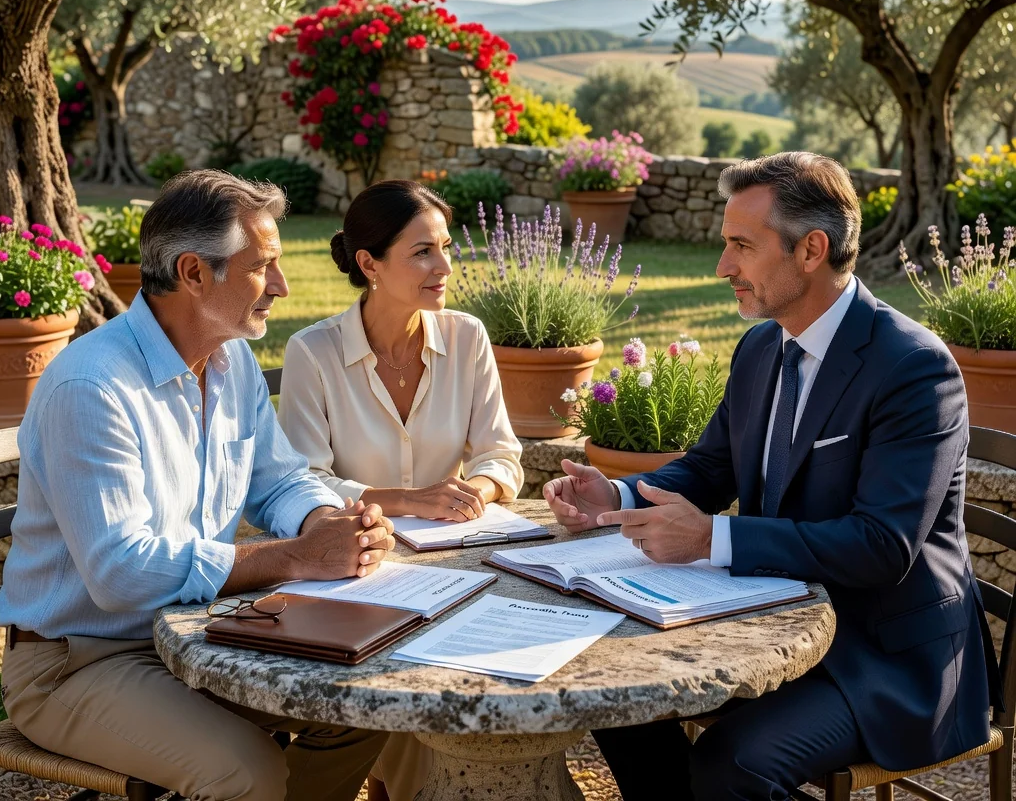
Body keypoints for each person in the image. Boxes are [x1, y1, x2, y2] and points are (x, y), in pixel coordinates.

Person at [543, 152, 1000, 800]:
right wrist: (614, 496)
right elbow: (711, 466)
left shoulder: (912, 368)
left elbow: (881, 546)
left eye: (742, 246)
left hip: (884, 659)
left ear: (811, 249)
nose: (722, 266)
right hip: (773, 623)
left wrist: (712, 539)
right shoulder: (761, 345)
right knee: (614, 693)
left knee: (734, 762)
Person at [0, 171, 397, 801]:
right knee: (246, 774)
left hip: (195, 636)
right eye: (262, 266)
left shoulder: (232, 362)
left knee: (369, 706)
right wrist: (296, 557)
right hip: (76, 661)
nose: (282, 286)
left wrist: (327, 523)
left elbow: (279, 480)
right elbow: (120, 572)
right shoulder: (92, 387)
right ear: (193, 272)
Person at [278, 178, 523, 801]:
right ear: (369, 264)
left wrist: (474, 491)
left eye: (445, 248)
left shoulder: (467, 337)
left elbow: (501, 454)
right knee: (409, 686)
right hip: (356, 574)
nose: (445, 267)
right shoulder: (313, 352)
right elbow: (302, 479)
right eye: (422, 252)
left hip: (459, 567)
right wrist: (408, 500)